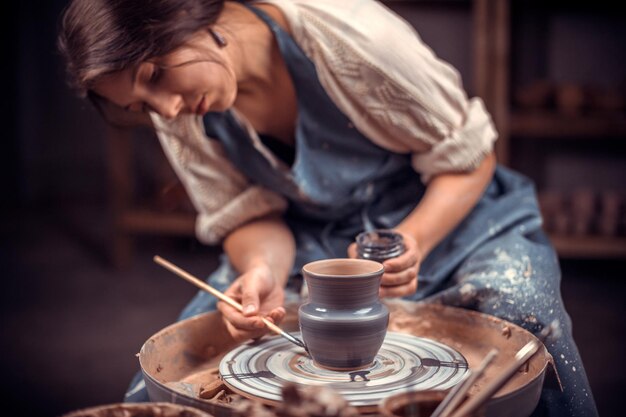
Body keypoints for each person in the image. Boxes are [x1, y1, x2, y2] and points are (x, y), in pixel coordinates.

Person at [58, 0, 598, 415]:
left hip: (453, 213)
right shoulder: (180, 114)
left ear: (183, 12)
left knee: (525, 317)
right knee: (184, 365)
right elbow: (251, 216)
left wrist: (418, 239)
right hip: (313, 237)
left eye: (155, 76)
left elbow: (470, 155)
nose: (167, 110)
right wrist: (261, 270)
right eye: (140, 106)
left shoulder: (351, 36)